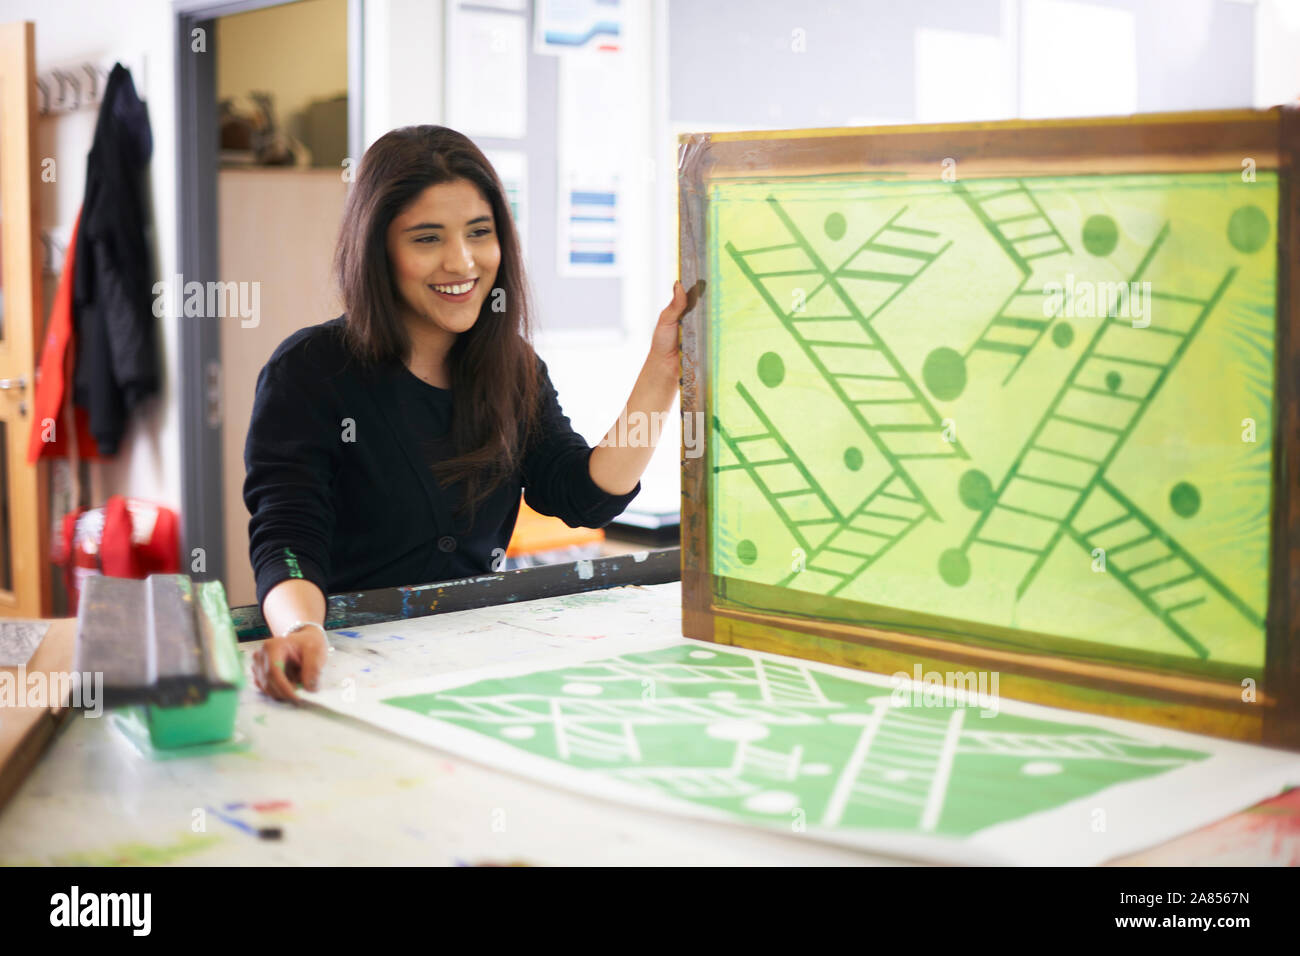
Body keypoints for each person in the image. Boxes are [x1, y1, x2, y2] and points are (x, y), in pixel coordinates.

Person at [244, 125, 685, 701]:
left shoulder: (513, 366)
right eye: (427, 239)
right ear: (378, 249)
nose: (462, 261)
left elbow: (585, 494)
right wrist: (302, 630)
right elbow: (287, 539)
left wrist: (660, 372)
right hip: (346, 665)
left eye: (481, 233)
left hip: (473, 661)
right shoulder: (309, 370)